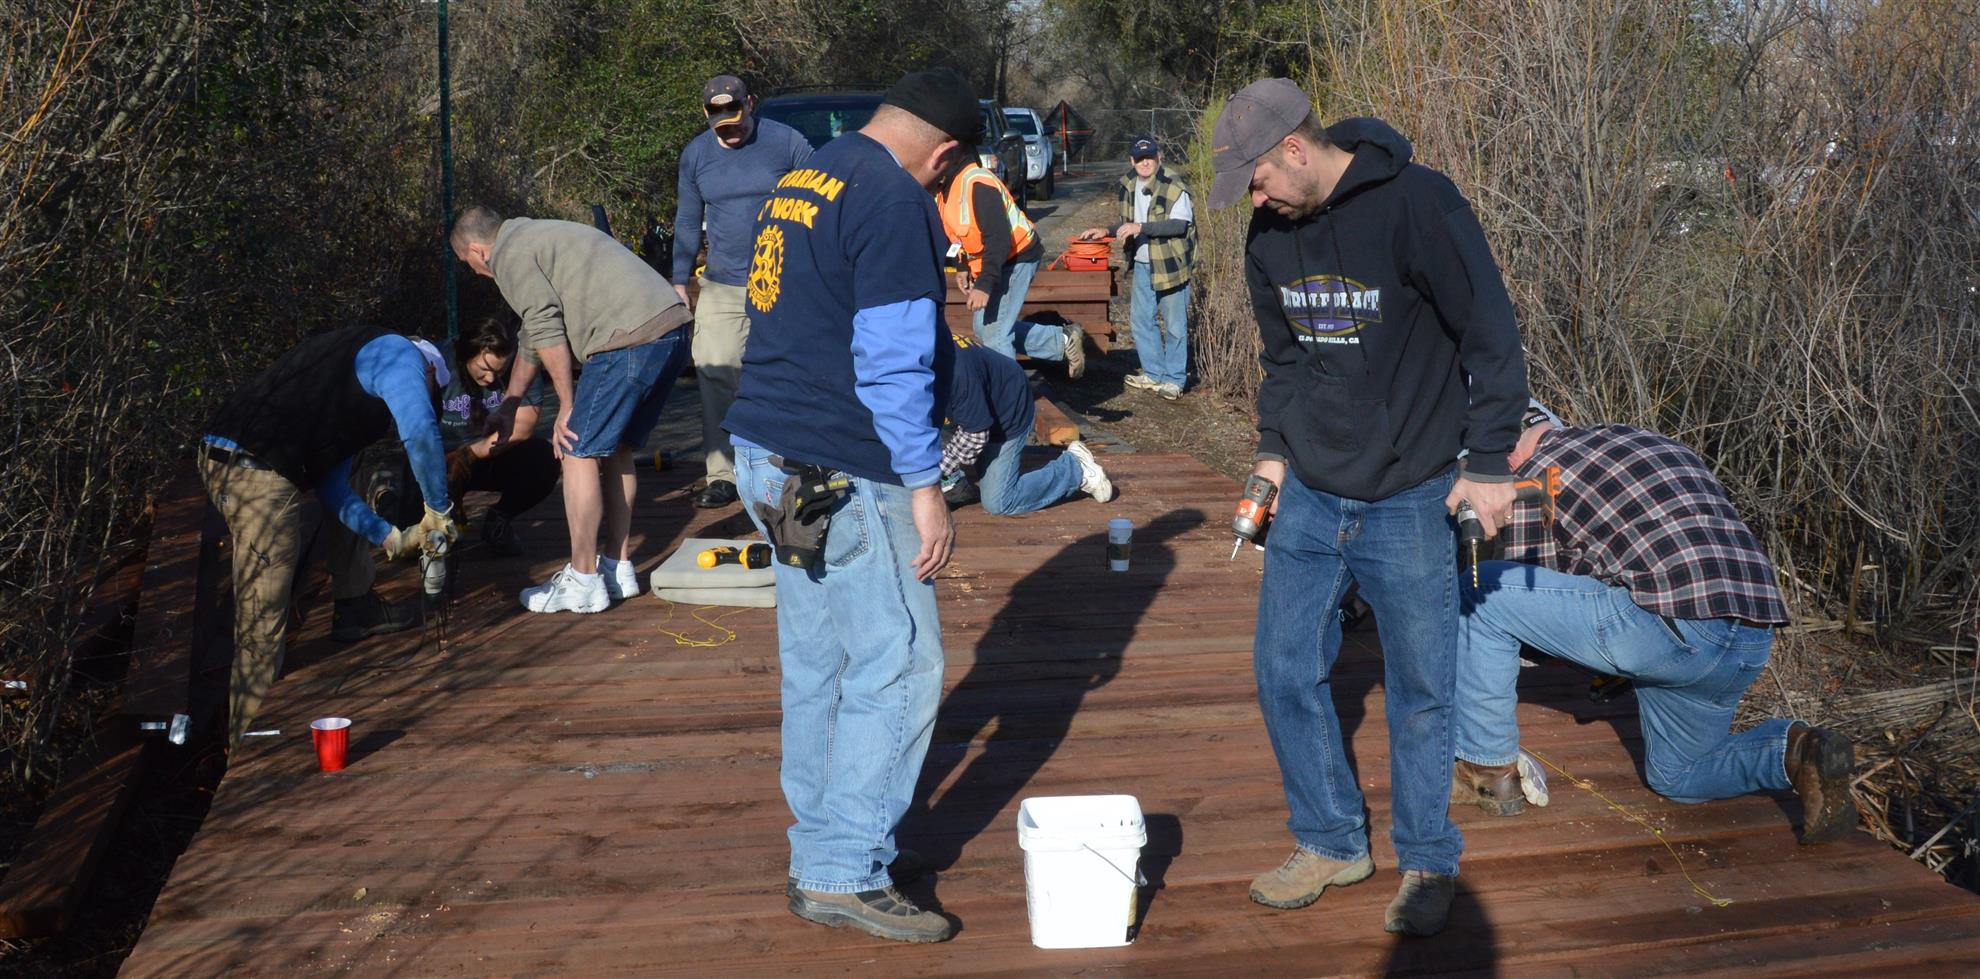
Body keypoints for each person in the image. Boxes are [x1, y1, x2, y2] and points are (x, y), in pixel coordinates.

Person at [1210, 78, 1531, 936]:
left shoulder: (1418, 206)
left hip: (1413, 491)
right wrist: (1273, 457)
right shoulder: (1268, 232)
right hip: (1312, 491)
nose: (1255, 196)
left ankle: (1427, 860)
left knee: (1422, 689)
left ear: (1295, 149)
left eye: (1259, 177)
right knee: (1283, 667)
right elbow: (1283, 360)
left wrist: (1491, 463)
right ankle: (1329, 839)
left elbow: (1491, 337)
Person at [723, 67, 981, 944]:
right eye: (947, 175)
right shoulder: (892, 198)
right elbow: (893, 357)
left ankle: (827, 843)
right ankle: (843, 867)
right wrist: (926, 487)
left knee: (820, 663)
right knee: (900, 663)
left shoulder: (808, 172)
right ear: (943, 153)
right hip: (843, 467)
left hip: (764, 453)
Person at [1452, 406, 1859, 845]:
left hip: (1668, 627)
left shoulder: (1532, 479)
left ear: (1505, 453)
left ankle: (1487, 769)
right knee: (1679, 776)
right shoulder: (1645, 440)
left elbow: (1523, 613)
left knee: (1479, 591)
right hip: (1750, 634)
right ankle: (1796, 752)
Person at [199, 327, 458, 745]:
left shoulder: (348, 389)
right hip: (256, 467)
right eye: (428, 392)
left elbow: (333, 487)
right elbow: (419, 431)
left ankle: (355, 610)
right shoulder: (399, 354)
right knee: (262, 624)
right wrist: (438, 510)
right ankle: (250, 751)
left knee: (263, 617)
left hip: (231, 455)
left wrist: (391, 537)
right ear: (429, 370)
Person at [450, 205, 692, 614]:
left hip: (625, 339)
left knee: (577, 449)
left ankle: (582, 580)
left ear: (477, 251)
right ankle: (617, 568)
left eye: (467, 264)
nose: (474, 272)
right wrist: (510, 403)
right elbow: (531, 336)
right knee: (616, 448)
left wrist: (566, 404)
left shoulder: (509, 256)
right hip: (671, 329)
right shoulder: (537, 237)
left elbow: (546, 329)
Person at [672, 74, 813, 509]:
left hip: (785, 282)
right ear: (706, 115)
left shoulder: (787, 142)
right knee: (714, 370)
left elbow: (823, 199)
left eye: (735, 118)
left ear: (750, 103)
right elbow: (686, 218)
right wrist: (680, 278)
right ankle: (722, 474)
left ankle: (797, 462)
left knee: (789, 371)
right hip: (722, 283)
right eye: (720, 122)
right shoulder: (696, 155)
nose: (729, 130)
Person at [935, 154, 1085, 376]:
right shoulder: (942, 193)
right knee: (985, 328)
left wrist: (984, 285)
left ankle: (1009, 400)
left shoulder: (977, 184)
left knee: (995, 334)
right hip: (996, 261)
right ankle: (1062, 341)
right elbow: (959, 235)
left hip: (1017, 257)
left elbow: (999, 240)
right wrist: (962, 265)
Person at [1077, 136, 1195, 400]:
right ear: (1132, 160)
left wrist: (1141, 228)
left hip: (1171, 263)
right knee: (1142, 321)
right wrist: (1105, 231)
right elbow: (1127, 221)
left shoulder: (1174, 184)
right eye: (1140, 159)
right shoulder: (1128, 185)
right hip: (1142, 263)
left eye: (1149, 157)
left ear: (1158, 157)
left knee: (1175, 324)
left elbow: (1179, 225)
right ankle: (1154, 374)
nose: (1145, 163)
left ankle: (1174, 379)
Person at [942, 333, 1112, 514]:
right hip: (965, 411)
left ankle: (1074, 468)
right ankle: (950, 482)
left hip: (1007, 411)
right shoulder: (920, 353)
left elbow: (976, 434)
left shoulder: (957, 373)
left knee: (999, 501)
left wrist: (935, 471)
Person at [431, 315, 559, 556]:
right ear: (467, 352)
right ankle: (447, 512)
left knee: (543, 458)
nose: (490, 379)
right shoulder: (440, 360)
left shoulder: (522, 365)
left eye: (498, 372)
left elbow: (524, 426)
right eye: (485, 369)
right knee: (402, 514)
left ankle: (499, 519)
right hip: (438, 459)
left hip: (488, 455)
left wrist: (468, 454)